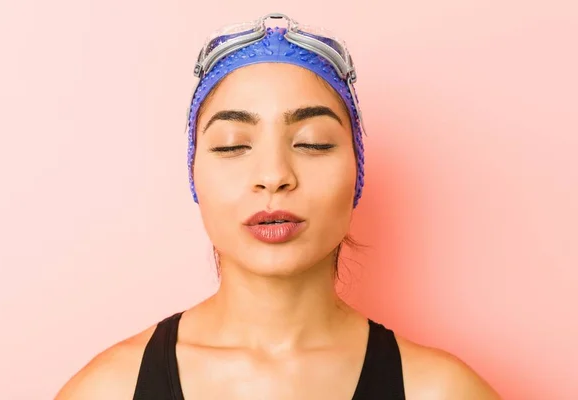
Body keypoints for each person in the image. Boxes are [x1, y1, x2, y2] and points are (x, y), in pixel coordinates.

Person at [55, 13, 500, 399]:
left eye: (313, 143)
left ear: (357, 173)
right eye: (232, 147)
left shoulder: (443, 391)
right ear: (194, 175)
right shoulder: (107, 390)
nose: (273, 174)